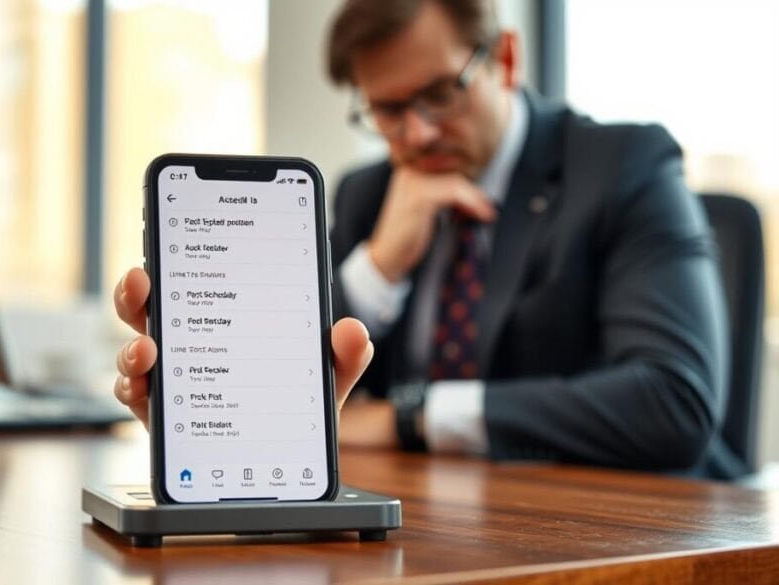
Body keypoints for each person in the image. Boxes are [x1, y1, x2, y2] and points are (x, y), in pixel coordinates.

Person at [113, 0, 743, 478]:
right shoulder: (367, 194)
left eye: (440, 95)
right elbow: (289, 402)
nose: (415, 134)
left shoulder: (623, 166)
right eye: (387, 110)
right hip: (431, 524)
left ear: (505, 59)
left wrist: (409, 418)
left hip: (640, 531)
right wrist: (380, 266)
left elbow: (673, 400)